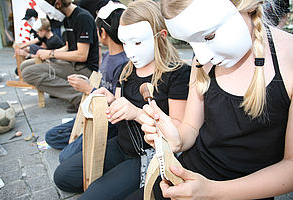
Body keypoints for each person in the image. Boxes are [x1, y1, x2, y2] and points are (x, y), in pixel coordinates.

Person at [135, 0, 293, 199]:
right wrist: (175, 139)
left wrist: (212, 192)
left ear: (246, 5)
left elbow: (291, 166)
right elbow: (191, 128)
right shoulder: (202, 62)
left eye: (209, 36)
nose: (201, 55)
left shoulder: (289, 59)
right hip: (188, 177)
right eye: (190, 42)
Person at [53, 1, 191, 199]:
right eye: (125, 42)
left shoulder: (177, 74)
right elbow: (120, 105)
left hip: (147, 155)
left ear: (161, 37)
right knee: (63, 176)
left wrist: (136, 113)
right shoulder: (127, 70)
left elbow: (178, 131)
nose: (129, 51)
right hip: (122, 143)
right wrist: (109, 100)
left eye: (137, 42)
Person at [45, 1, 128, 163]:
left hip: (109, 122)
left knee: (65, 157)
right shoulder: (108, 56)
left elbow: (117, 104)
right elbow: (104, 89)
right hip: (96, 110)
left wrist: (89, 89)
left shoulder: (124, 63)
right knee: (52, 136)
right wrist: (89, 86)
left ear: (102, 33)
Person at [20, 0, 99, 113]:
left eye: (50, 13)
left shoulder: (82, 18)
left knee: (28, 73)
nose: (51, 17)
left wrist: (51, 53)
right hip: (72, 63)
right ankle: (63, 91)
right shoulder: (67, 19)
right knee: (25, 66)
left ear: (58, 4)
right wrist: (49, 53)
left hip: (84, 68)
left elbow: (82, 56)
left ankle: (79, 96)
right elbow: (68, 47)